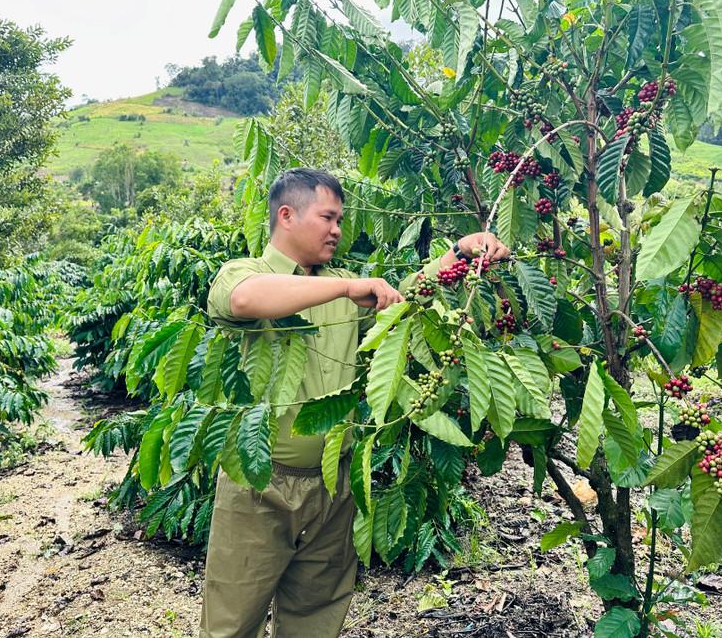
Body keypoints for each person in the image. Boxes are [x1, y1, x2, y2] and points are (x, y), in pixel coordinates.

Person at [199, 168, 509, 638]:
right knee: (231, 623)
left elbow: (406, 300)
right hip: (259, 487)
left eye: (340, 219)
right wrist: (346, 288)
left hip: (332, 483)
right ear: (287, 215)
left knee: (316, 617)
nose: (337, 230)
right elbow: (245, 301)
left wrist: (458, 252)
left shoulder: (346, 284)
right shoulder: (245, 273)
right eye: (328, 217)